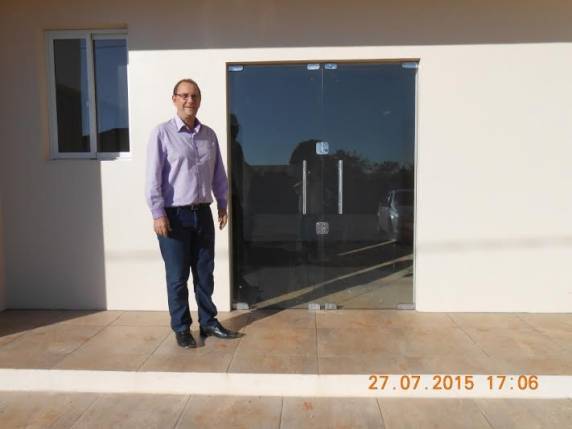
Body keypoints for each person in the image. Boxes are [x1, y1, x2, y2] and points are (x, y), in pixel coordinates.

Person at [146, 78, 241, 348]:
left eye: (195, 96)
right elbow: (152, 178)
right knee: (177, 277)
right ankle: (181, 328)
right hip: (173, 217)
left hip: (203, 214)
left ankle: (208, 322)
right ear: (174, 99)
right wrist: (158, 213)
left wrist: (222, 203)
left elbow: (218, 173)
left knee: (205, 273)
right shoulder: (162, 134)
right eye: (184, 95)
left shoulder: (208, 135)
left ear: (200, 100)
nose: (190, 100)